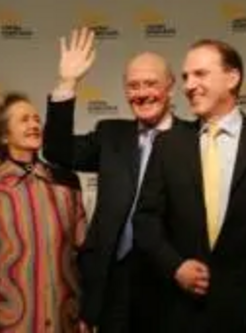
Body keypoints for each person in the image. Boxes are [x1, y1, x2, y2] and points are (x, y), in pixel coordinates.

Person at [132, 39, 246, 333]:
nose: (188, 85)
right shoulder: (169, 145)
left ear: (232, 78)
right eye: (185, 77)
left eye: (200, 74)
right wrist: (176, 266)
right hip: (180, 311)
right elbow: (146, 219)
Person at [42, 28, 187, 333]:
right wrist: (67, 83)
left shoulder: (194, 139)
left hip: (170, 283)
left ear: (171, 87)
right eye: (133, 85)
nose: (142, 93)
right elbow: (58, 151)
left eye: (151, 83)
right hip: (112, 283)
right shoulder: (111, 134)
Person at [0, 92, 87, 333]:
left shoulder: (66, 182)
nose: (34, 125)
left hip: (64, 320)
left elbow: (82, 252)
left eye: (36, 119)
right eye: (24, 120)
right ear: (3, 134)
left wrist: (87, 313)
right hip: (10, 322)